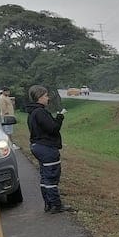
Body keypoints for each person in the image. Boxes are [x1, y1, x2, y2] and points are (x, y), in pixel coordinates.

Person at [25, 85, 71, 214]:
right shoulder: (40, 112)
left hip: (37, 147)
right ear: (39, 97)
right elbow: (53, 128)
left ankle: (48, 204)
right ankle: (56, 205)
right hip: (46, 148)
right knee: (52, 176)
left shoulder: (32, 112)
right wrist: (60, 118)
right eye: (45, 96)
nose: (48, 98)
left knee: (45, 177)